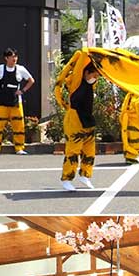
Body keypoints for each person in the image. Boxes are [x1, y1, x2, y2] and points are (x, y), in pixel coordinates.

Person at [0, 49, 35, 156]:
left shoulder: (21, 69)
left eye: (16, 56)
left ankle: (19, 148)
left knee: (19, 126)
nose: (14, 59)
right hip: (2, 102)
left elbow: (31, 80)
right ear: (6, 58)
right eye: (12, 57)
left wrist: (22, 91)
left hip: (16, 102)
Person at [61, 63, 99, 192]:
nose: (96, 76)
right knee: (73, 151)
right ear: (85, 73)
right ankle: (67, 179)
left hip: (87, 120)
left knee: (89, 151)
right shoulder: (76, 84)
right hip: (75, 120)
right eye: (93, 74)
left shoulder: (89, 85)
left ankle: (85, 175)